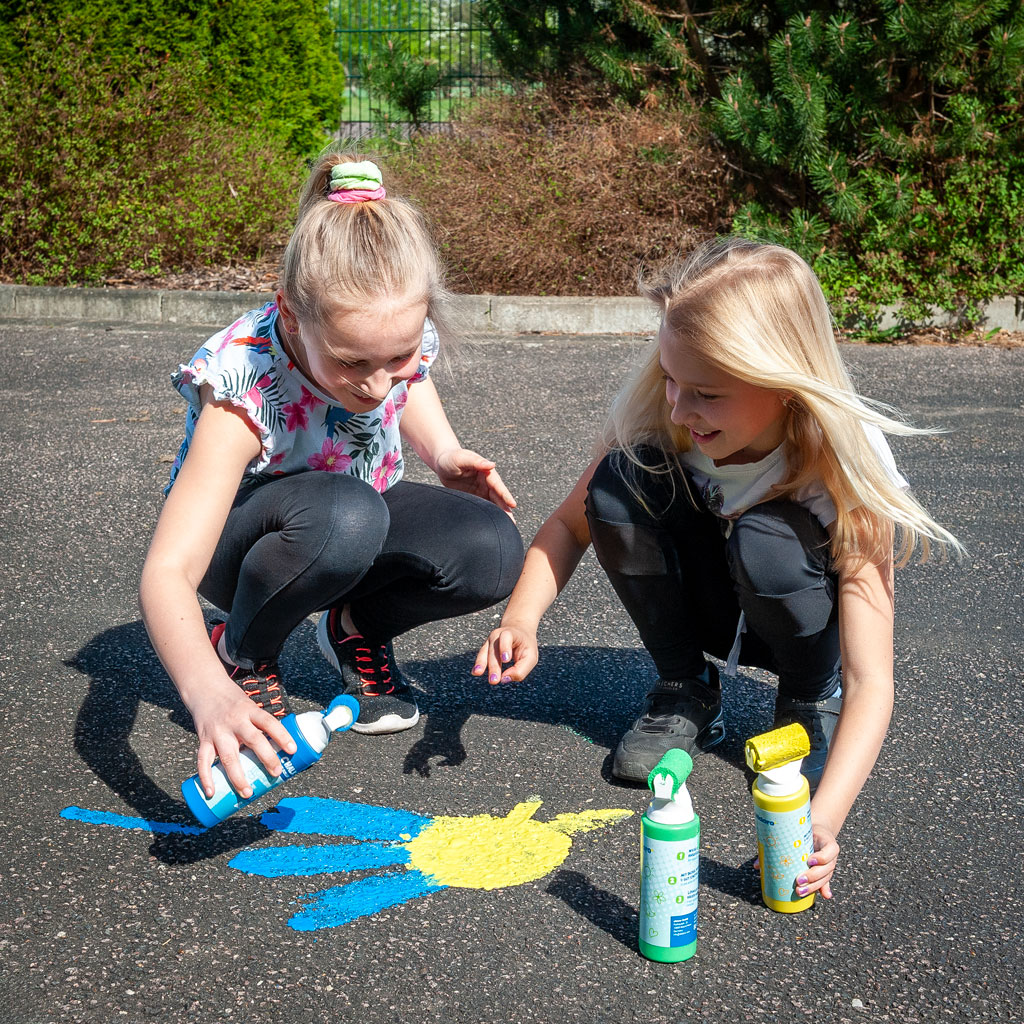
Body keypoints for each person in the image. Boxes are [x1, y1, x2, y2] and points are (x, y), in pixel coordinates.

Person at [473, 238, 960, 899]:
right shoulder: (664, 413)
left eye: (704, 393)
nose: (678, 408)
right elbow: (567, 524)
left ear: (785, 386)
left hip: (795, 622)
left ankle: (806, 704)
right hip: (708, 603)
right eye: (671, 379)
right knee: (618, 481)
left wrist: (824, 820)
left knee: (768, 537)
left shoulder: (843, 462)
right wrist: (522, 620)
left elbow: (873, 678)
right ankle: (685, 688)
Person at [141, 154, 524, 804]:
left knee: (492, 551)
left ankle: (354, 626)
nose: (377, 384)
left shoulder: (390, 330)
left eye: (396, 355)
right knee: (346, 518)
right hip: (245, 545)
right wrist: (206, 692)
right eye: (352, 363)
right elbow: (166, 572)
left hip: (354, 509)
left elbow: (413, 381)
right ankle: (242, 650)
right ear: (290, 314)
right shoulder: (244, 382)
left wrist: (445, 451)